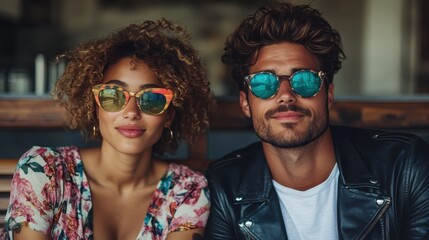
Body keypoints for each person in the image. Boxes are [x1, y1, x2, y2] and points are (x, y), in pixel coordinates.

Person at [204, 2, 429, 239]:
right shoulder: (224, 186)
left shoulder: (405, 166)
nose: (285, 96)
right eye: (263, 83)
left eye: (304, 80)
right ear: (245, 103)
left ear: (328, 93)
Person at [1, 18, 213, 240]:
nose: (131, 112)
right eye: (113, 95)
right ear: (95, 108)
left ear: (169, 115)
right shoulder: (44, 170)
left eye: (151, 98)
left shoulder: (187, 190)